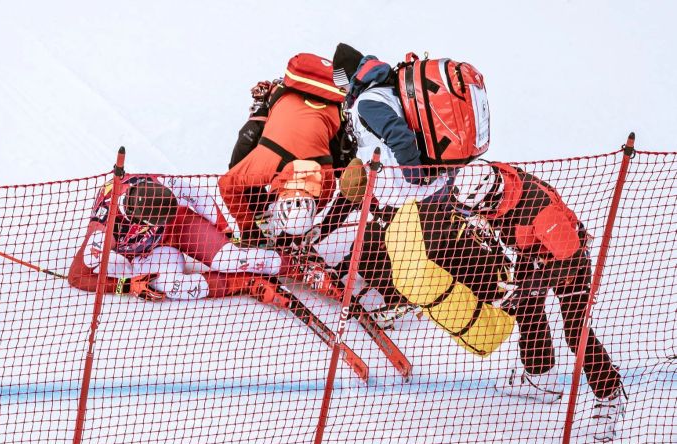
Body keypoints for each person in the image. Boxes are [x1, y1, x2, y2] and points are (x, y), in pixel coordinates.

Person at [452, 160, 626, 442]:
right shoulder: (495, 185)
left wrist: (529, 286)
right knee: (527, 311)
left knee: (574, 332)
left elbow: (570, 260)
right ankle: (539, 375)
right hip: (532, 250)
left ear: (491, 196)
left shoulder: (540, 211)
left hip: (568, 260)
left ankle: (609, 393)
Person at [68, 176, 334, 301]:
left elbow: (197, 196)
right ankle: (245, 283)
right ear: (142, 222)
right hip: (144, 253)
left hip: (180, 226)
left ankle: (301, 268)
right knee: (170, 287)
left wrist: (223, 228)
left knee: (230, 257)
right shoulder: (103, 231)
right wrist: (126, 286)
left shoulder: (154, 183)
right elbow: (77, 275)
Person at [219, 53, 348, 248]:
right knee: (242, 154)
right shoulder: (267, 163)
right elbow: (226, 184)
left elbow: (324, 197)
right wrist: (248, 229)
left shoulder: (325, 177)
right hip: (291, 100)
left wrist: (249, 229)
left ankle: (262, 208)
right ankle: (260, 206)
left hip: (320, 103)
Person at [331, 43, 449, 209]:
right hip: (420, 191)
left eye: (343, 87)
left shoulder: (366, 102)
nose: (344, 93)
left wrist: (415, 176)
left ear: (349, 80)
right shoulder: (386, 89)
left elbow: (400, 136)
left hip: (410, 196)